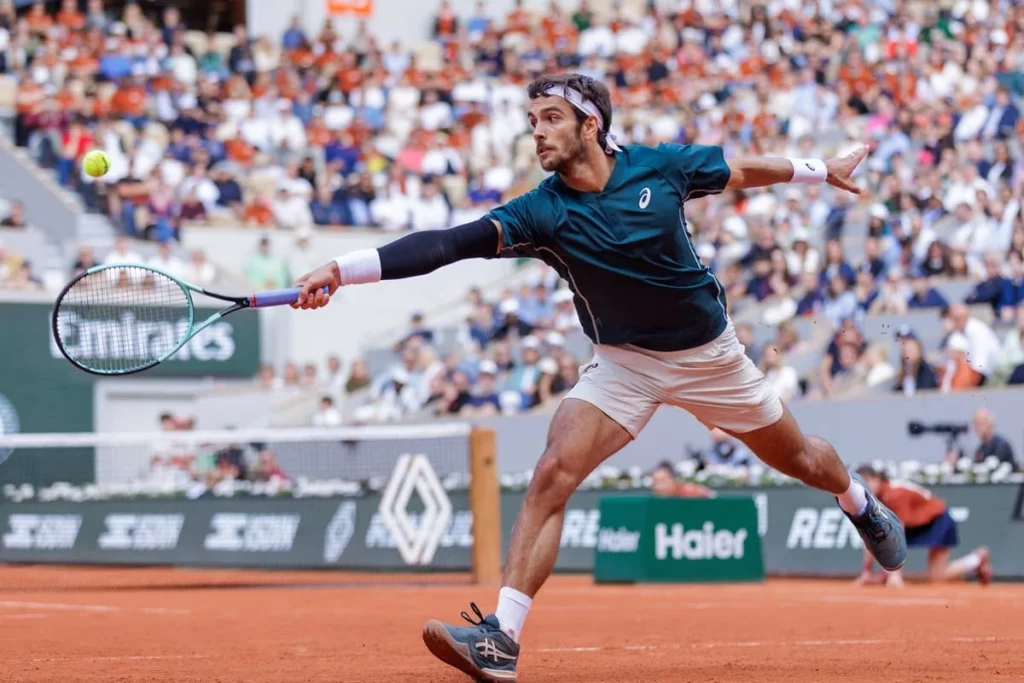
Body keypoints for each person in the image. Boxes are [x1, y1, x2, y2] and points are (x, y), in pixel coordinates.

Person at [291, 73, 906, 683]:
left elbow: (744, 171)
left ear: (591, 124)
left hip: (710, 358)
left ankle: (858, 501)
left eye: (551, 118)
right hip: (623, 365)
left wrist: (819, 169)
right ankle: (501, 637)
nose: (537, 133)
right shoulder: (542, 210)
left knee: (799, 457)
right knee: (553, 472)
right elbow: (447, 244)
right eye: (532, 122)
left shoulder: (660, 168)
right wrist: (343, 270)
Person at [853, 466, 991, 587]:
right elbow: (871, 534)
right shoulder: (873, 499)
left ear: (877, 479)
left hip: (938, 520)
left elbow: (897, 533)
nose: (865, 487)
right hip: (917, 523)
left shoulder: (895, 495)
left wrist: (895, 575)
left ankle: (977, 559)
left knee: (937, 576)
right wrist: (867, 571)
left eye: (867, 481)